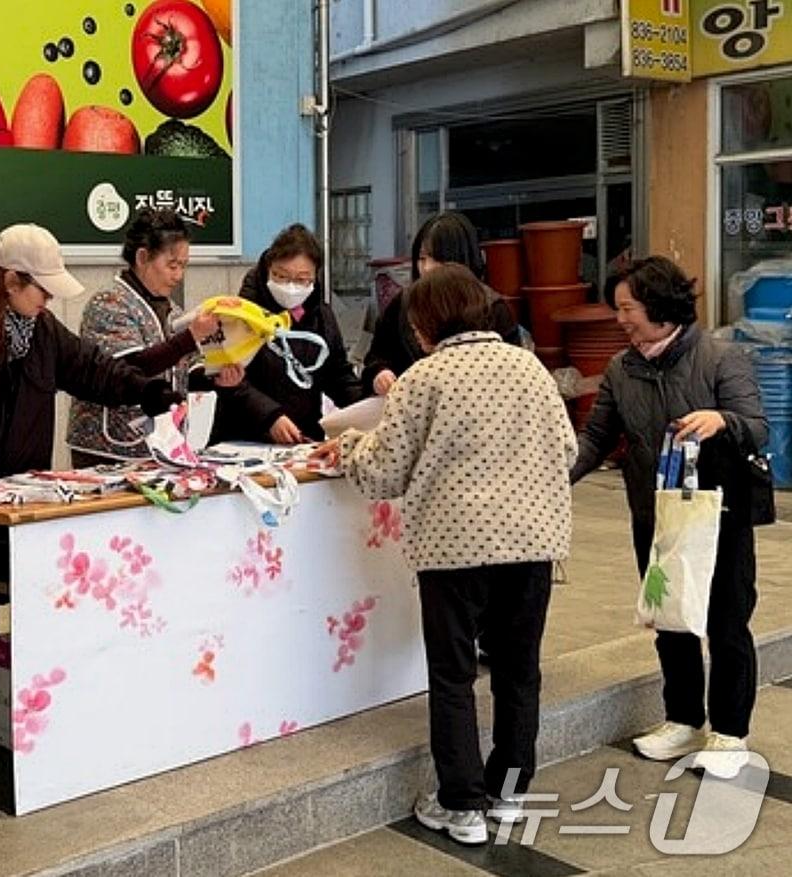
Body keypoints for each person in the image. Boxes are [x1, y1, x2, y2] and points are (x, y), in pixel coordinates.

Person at [0, 223, 183, 733]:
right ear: (9, 281)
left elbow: (93, 369)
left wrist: (145, 391)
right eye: (41, 289)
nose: (48, 300)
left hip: (11, 493)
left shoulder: (42, 332)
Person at [316, 265, 576, 846]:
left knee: (453, 675)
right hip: (532, 541)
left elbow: (383, 473)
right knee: (518, 670)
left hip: (454, 546)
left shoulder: (423, 378)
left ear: (428, 323)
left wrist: (349, 444)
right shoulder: (529, 367)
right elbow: (566, 449)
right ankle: (510, 793)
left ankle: (462, 805)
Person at [571, 256, 767, 778]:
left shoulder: (721, 358)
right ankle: (682, 719)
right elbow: (597, 437)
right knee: (670, 620)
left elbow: (757, 426)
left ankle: (730, 733)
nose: (620, 319)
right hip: (655, 515)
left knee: (727, 623)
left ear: (659, 306)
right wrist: (555, 478)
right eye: (617, 308)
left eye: (627, 308)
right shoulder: (622, 368)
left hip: (717, 515)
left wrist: (721, 419)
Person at [66, 208, 240, 465]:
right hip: (108, 450)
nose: (178, 276)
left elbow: (183, 372)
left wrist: (216, 376)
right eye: (172, 265)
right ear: (142, 257)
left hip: (161, 446)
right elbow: (129, 370)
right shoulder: (108, 303)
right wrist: (190, 336)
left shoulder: (173, 311)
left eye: (183, 266)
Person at [214, 223, 363, 444]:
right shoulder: (240, 314)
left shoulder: (321, 316)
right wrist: (270, 416)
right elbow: (228, 375)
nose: (291, 286)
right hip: (243, 437)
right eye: (281, 276)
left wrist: (367, 405)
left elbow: (337, 375)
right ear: (268, 269)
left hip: (302, 439)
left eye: (302, 279)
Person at [363, 211, 521, 397]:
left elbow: (512, 374)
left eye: (438, 259)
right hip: (412, 406)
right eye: (422, 259)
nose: (427, 268)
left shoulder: (492, 308)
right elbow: (375, 358)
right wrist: (380, 374)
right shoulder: (402, 304)